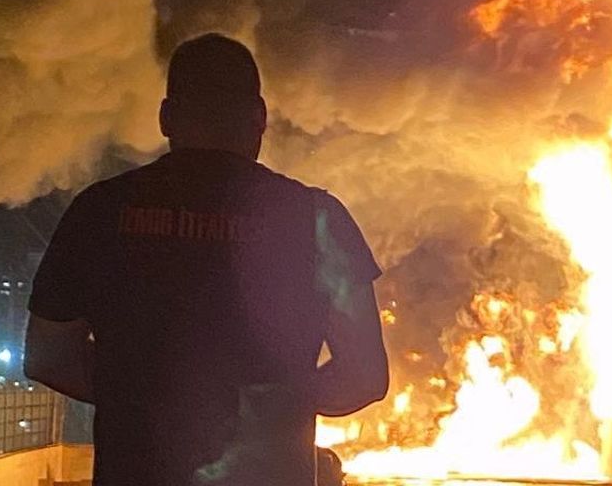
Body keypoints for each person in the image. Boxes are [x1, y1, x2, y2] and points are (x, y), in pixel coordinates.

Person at [24, 33, 389, 485]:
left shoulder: (99, 211)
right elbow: (365, 377)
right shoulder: (318, 219)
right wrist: (276, 404)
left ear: (166, 117)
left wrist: (149, 399)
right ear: (259, 116)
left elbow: (47, 358)